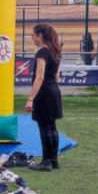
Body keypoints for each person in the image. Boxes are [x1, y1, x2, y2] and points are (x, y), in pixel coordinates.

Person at [26, 23, 63, 172]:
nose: (33, 39)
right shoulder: (55, 51)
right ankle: (53, 161)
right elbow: (57, 77)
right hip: (54, 91)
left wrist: (30, 98)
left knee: (44, 128)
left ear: (40, 35)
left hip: (44, 94)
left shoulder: (42, 52)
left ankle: (46, 162)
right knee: (52, 127)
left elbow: (39, 77)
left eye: (33, 35)